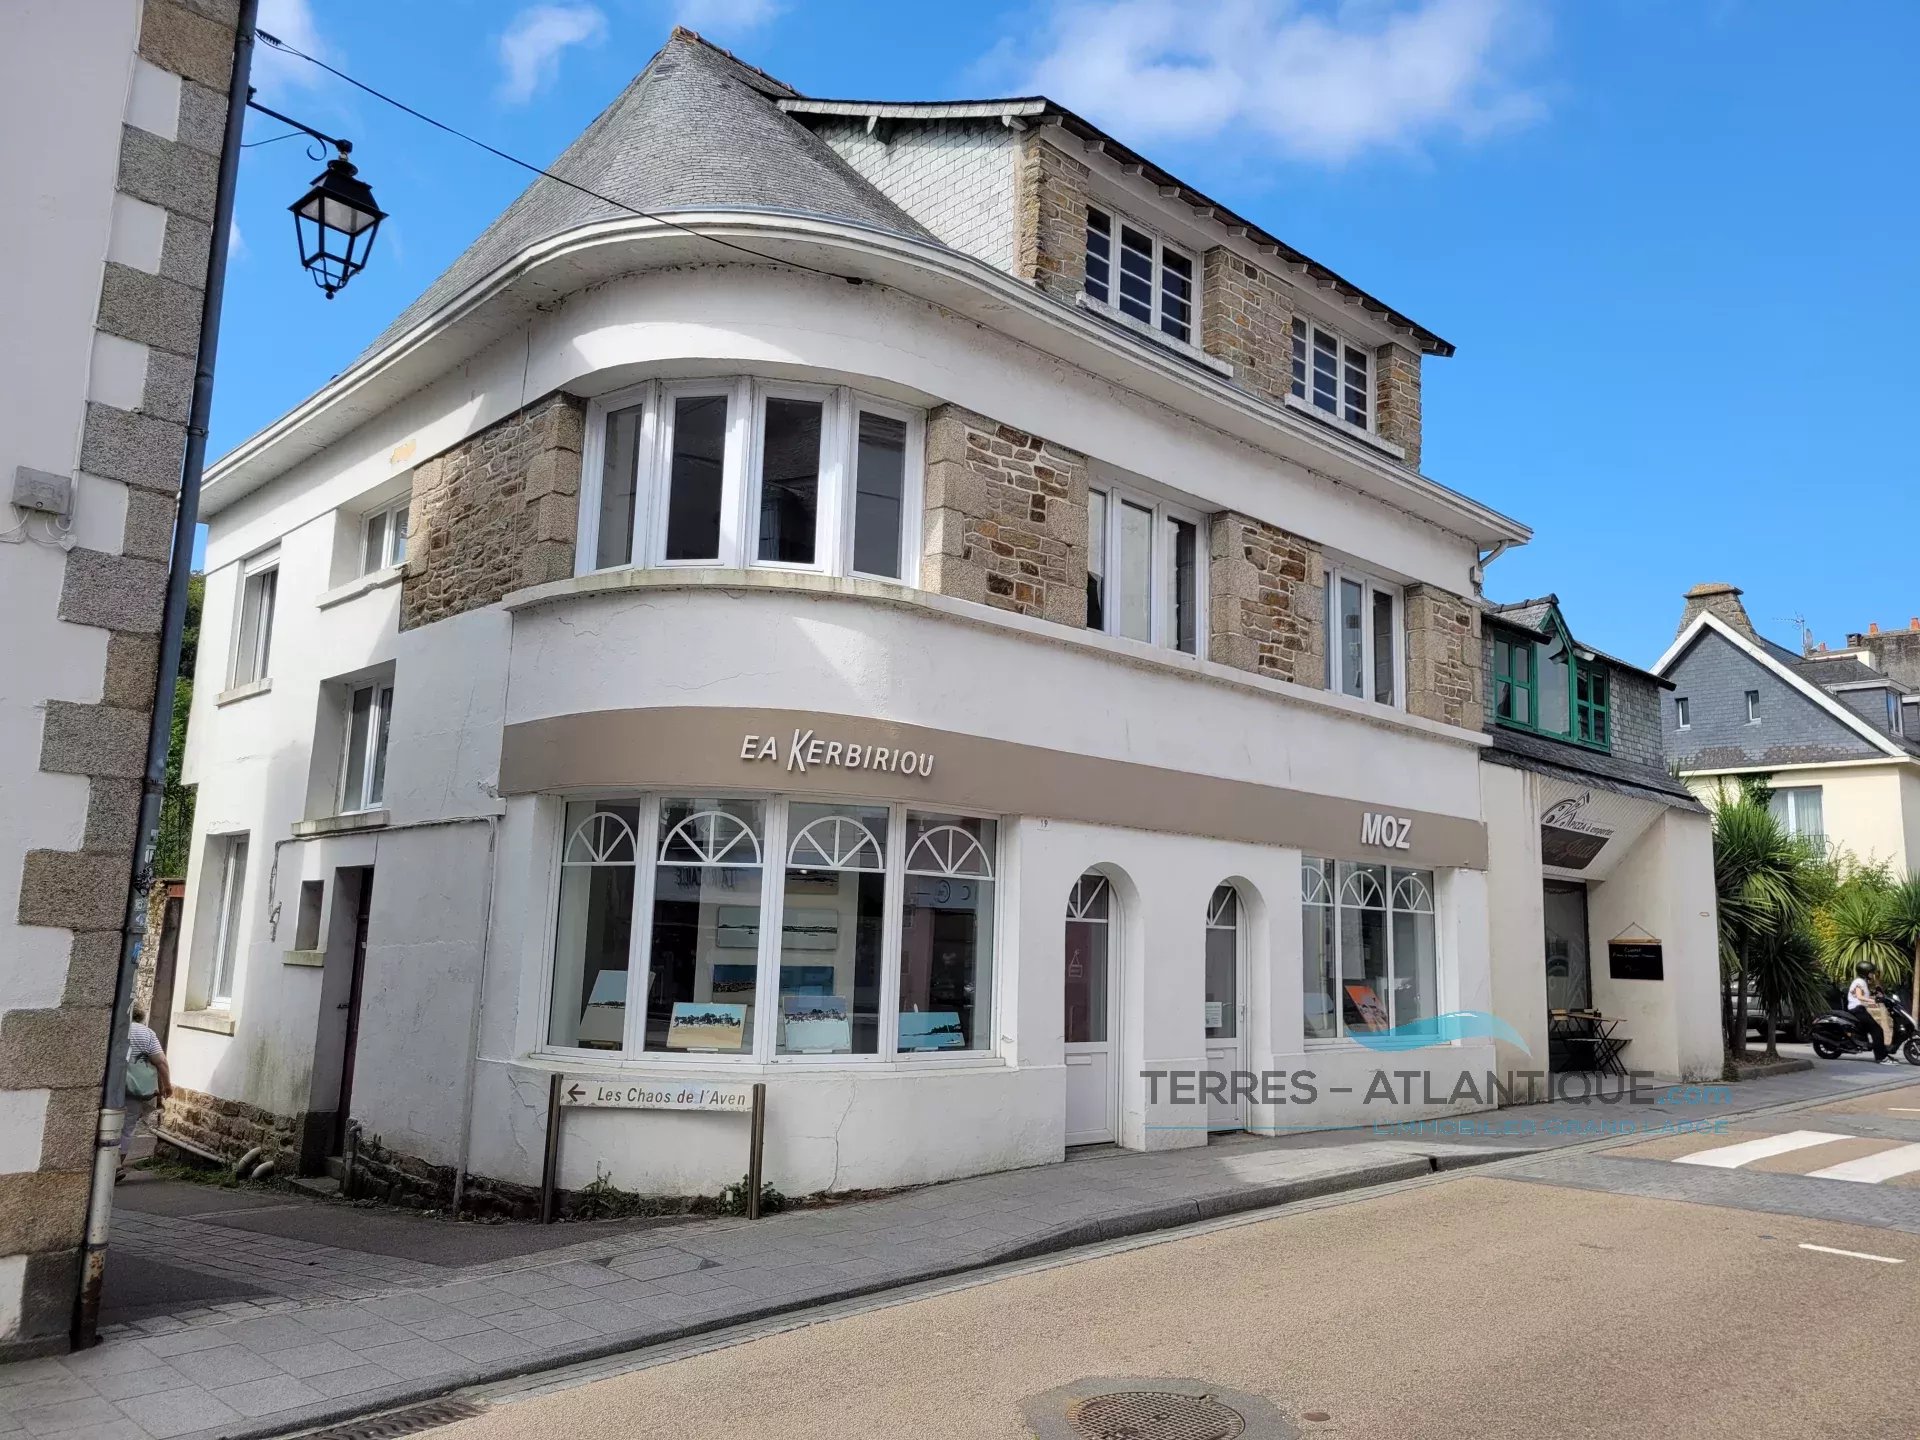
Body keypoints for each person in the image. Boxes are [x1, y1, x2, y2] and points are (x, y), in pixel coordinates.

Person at [119, 1004, 173, 1179]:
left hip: (111, 1084)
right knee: (127, 1127)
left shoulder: (117, 1027)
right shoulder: (146, 1033)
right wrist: (166, 1085)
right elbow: (161, 1061)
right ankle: (116, 1166)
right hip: (134, 1088)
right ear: (140, 1015)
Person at [1846, 960, 1890, 1063]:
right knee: (1877, 1030)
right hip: (1857, 1009)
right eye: (1870, 972)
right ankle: (1881, 1057)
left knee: (1870, 1028)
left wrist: (1876, 996)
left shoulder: (1862, 981)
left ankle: (1875, 1049)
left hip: (1859, 1009)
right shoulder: (1859, 982)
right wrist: (1873, 1000)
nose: (1872, 974)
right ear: (1865, 972)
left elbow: (1864, 996)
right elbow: (1859, 996)